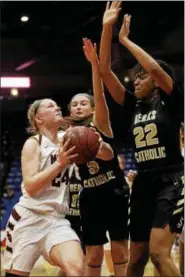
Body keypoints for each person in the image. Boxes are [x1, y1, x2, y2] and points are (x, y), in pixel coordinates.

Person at [99, 2, 184, 277]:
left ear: (157, 82)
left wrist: (125, 40)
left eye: (142, 76)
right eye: (135, 77)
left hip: (171, 180)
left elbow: (158, 70)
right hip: (143, 182)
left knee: (160, 256)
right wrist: (107, 28)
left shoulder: (171, 101)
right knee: (136, 261)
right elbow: (104, 72)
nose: (135, 81)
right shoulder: (132, 105)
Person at [62, 38, 129, 276]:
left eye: (83, 104)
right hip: (89, 195)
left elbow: (99, 94)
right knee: (93, 254)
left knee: (120, 249)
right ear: (70, 111)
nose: (79, 107)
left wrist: (93, 64)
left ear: (91, 109)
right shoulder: (66, 135)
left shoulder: (100, 124)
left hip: (115, 192)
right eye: (75, 105)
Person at [3, 98, 85, 277]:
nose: (57, 107)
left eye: (57, 104)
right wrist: (60, 164)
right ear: (38, 118)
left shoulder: (68, 139)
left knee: (76, 268)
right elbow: (31, 187)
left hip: (57, 219)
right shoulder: (34, 143)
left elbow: (91, 130)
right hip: (29, 218)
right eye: (50, 106)